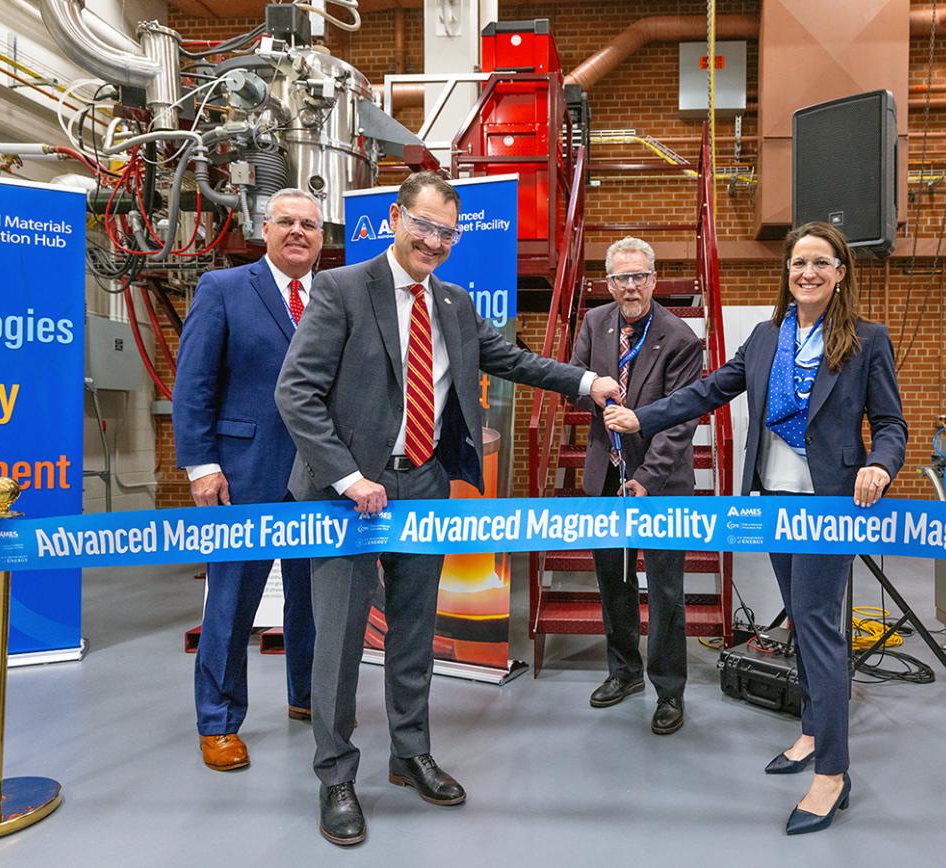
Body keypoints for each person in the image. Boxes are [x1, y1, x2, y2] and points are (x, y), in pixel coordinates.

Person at [276, 171, 621, 847]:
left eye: (446, 232)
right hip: (347, 498)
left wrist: (585, 380)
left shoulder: (456, 305)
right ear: (394, 221)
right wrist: (347, 477)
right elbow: (297, 394)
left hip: (424, 486)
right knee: (342, 638)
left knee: (413, 631)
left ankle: (409, 753)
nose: (433, 241)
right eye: (424, 226)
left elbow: (513, 359)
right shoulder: (343, 289)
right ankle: (336, 775)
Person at [605, 221, 907, 835]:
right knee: (799, 617)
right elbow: (708, 390)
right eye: (799, 263)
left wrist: (879, 463)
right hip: (772, 503)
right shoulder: (767, 337)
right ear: (787, 271)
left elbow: (892, 424)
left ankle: (833, 771)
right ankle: (810, 732)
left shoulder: (867, 341)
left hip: (828, 510)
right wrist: (642, 418)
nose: (808, 274)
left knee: (819, 628)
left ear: (840, 272)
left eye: (821, 263)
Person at [172, 188, 323, 772]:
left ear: (319, 238)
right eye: (286, 221)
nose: (298, 232)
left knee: (314, 600)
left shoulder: (331, 298)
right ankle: (218, 720)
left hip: (318, 479)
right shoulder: (224, 289)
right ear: (266, 229)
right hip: (243, 475)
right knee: (232, 602)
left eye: (309, 224)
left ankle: (306, 696)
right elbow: (194, 385)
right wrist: (202, 466)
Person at [569, 237, 703, 735]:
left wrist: (647, 479)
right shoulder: (593, 323)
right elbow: (577, 383)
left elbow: (681, 421)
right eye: (621, 278)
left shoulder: (681, 337)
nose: (631, 286)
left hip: (661, 482)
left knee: (666, 589)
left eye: (639, 276)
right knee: (613, 581)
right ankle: (624, 672)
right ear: (609, 283)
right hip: (605, 476)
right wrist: (600, 400)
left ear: (654, 278)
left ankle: (669, 690)